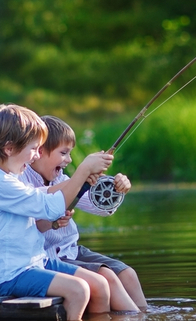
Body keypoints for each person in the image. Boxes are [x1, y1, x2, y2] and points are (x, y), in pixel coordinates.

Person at [0, 104, 137, 321]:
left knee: (100, 283)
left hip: (37, 262)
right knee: (79, 290)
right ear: (9, 149)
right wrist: (83, 170)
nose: (35, 156)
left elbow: (44, 203)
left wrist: (84, 182)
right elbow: (49, 206)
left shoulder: (9, 178)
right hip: (13, 273)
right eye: (33, 149)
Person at [19, 115, 148, 310]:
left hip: (72, 251)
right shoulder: (22, 180)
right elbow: (39, 198)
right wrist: (81, 175)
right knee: (107, 277)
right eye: (63, 153)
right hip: (47, 258)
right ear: (40, 151)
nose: (68, 160)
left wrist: (115, 188)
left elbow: (99, 208)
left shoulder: (61, 177)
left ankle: (145, 318)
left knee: (127, 274)